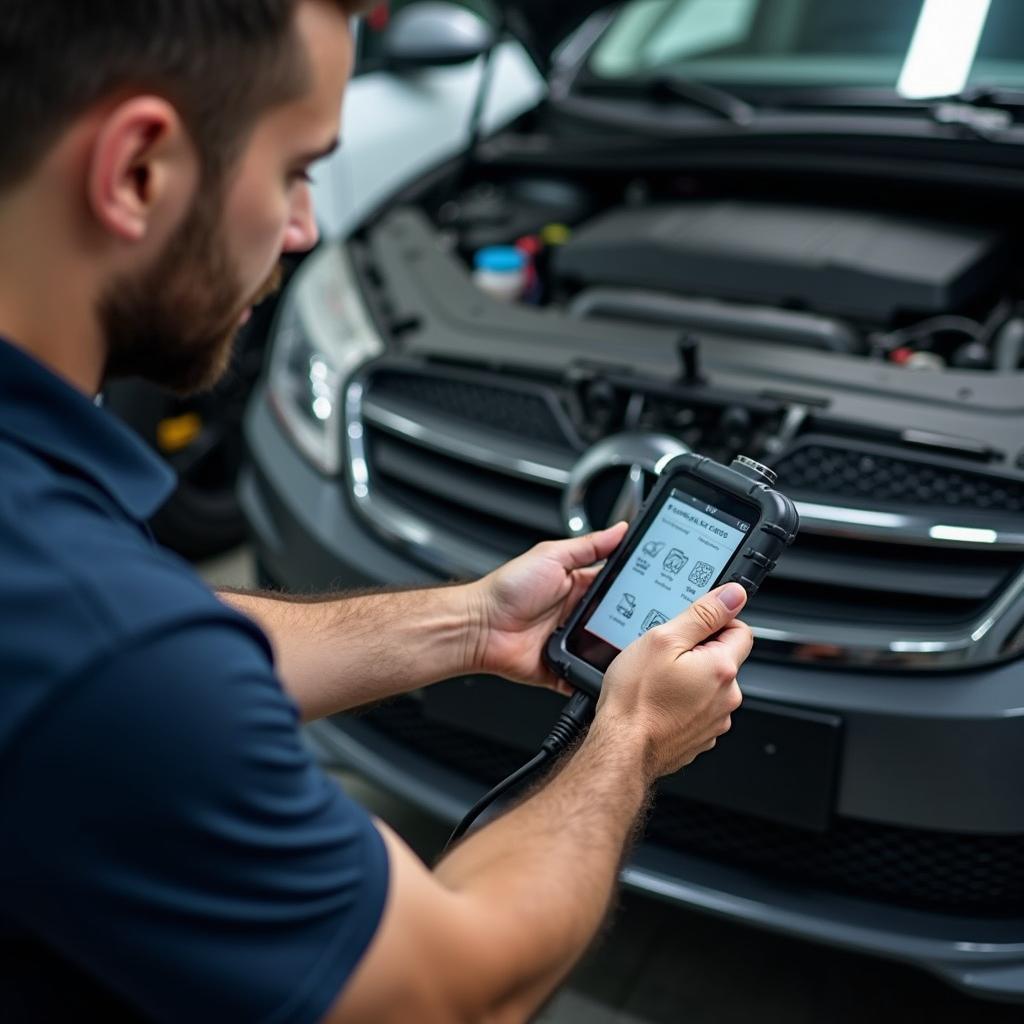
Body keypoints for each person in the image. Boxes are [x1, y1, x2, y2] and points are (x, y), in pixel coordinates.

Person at [0, 2, 750, 1021]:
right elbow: (457, 990)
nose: (306, 226)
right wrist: (628, 737)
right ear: (139, 170)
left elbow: (148, 643)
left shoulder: (63, 578)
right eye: (294, 169)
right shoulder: (93, 629)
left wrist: (474, 621)